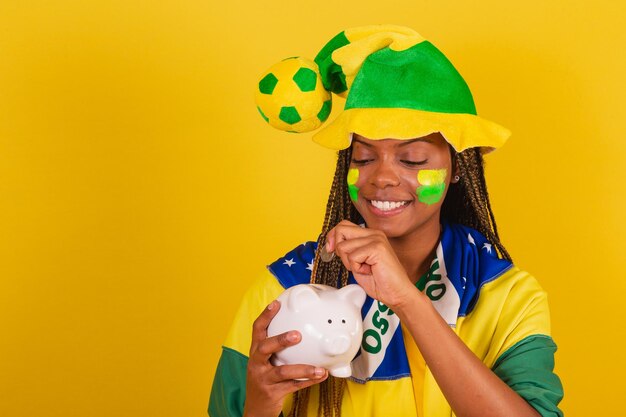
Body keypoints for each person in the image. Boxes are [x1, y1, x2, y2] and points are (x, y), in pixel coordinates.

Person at [209, 25, 564, 417]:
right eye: (362, 157)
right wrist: (260, 402)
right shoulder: (286, 288)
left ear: (458, 165)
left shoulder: (506, 295)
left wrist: (406, 300)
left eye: (412, 159)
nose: (381, 177)